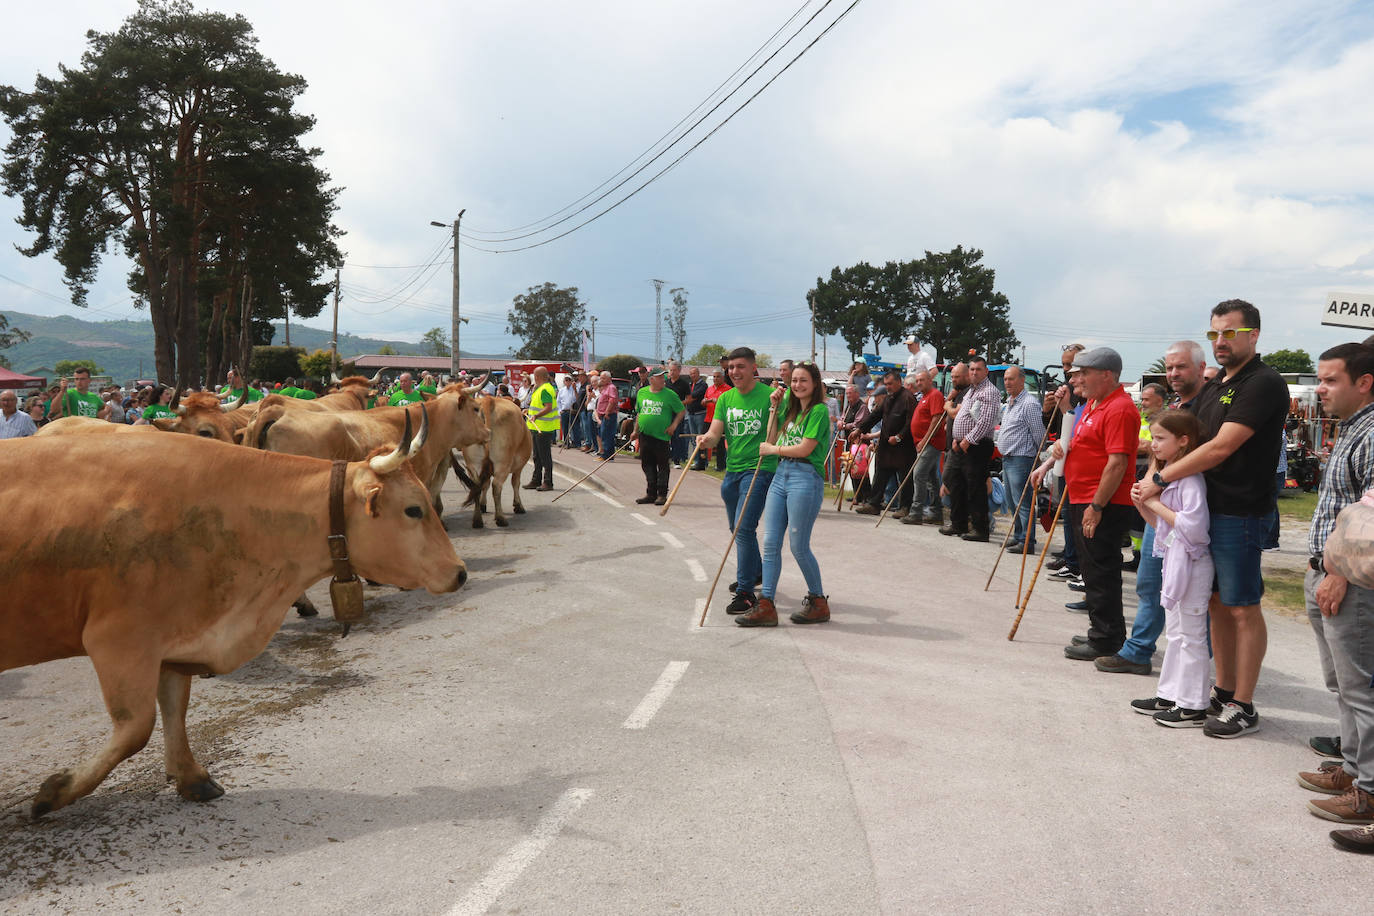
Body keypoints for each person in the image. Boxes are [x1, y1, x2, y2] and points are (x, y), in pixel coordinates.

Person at [1137, 300, 1289, 738]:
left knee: (1242, 607)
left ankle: (1244, 704)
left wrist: (1160, 479)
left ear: (1254, 335)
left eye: (1230, 333)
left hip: (1240, 512)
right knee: (1215, 606)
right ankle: (1219, 692)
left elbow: (1221, 447)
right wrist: (1154, 473)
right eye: (1214, 334)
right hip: (1206, 510)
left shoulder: (1263, 384)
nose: (1221, 342)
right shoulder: (1215, 385)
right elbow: (1184, 438)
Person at [1295, 343, 1374, 832]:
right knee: (1342, 685)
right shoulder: (1351, 428)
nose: (1320, 389)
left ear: (1363, 382)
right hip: (1325, 574)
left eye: (1330, 380)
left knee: (1361, 687)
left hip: (1350, 581)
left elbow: (1370, 517)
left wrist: (1339, 573)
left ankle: (1368, 791)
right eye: (1319, 381)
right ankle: (1351, 771)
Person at [1104, 341, 1209, 674]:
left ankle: (1192, 672)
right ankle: (1139, 650)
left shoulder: (1209, 407)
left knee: (1188, 599)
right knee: (1150, 583)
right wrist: (1150, 483)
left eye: (1181, 367)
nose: (1173, 374)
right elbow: (1156, 455)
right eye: (1169, 368)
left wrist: (1156, 485)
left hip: (1185, 513)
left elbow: (1200, 458)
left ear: (1201, 368)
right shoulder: (1180, 406)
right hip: (1160, 512)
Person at [1034, 347, 1138, 664]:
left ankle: (1106, 639)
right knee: (1091, 571)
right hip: (1083, 497)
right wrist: (1055, 455)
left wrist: (1097, 505)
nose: (1077, 379)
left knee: (1101, 570)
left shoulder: (1119, 408)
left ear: (1106, 375)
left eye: (1084, 373)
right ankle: (1101, 629)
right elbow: (1076, 445)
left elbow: (1117, 463)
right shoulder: (1094, 404)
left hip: (1101, 502)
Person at [1129, 409, 1214, 725]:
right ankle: (1170, 693)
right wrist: (1144, 506)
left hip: (1192, 564)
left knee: (1192, 635)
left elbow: (1194, 528)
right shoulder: (1175, 476)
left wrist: (1152, 504)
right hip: (1176, 561)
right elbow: (1164, 527)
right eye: (1153, 437)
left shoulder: (1190, 479)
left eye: (1161, 438)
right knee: (1176, 632)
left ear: (1183, 441)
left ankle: (1193, 703)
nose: (1153, 445)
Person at [737, 362, 832, 627]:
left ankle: (818, 601)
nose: (798, 385)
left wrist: (773, 450)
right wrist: (773, 408)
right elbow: (770, 436)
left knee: (798, 546)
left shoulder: (819, 412)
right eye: (794, 381)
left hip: (805, 477)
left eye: (803, 381)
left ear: (814, 384)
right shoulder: (789, 411)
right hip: (781, 476)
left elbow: (804, 449)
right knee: (770, 543)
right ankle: (766, 603)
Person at [695, 347, 779, 615]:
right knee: (737, 527)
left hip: (759, 469)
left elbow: (777, 434)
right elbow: (715, 433)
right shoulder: (726, 399)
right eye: (731, 368)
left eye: (740, 367)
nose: (734, 372)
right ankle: (756, 572)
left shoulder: (769, 396)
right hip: (732, 471)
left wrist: (777, 408)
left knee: (743, 528)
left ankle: (746, 594)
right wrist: (705, 440)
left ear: (754, 368)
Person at [942, 357, 1001, 541]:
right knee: (954, 481)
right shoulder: (970, 392)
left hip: (977, 445)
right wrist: (956, 439)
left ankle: (980, 529)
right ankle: (958, 523)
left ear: (986, 371)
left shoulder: (989, 392)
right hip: (960, 444)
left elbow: (986, 421)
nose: (974, 372)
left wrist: (968, 439)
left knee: (975, 487)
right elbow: (962, 416)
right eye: (972, 369)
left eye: (978, 369)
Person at [851, 370, 918, 517]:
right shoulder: (888, 399)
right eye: (886, 384)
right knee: (880, 475)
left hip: (903, 446)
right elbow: (874, 416)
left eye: (890, 384)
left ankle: (905, 507)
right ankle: (874, 504)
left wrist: (899, 436)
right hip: (886, 445)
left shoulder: (908, 398)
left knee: (905, 478)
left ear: (899, 383)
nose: (888, 387)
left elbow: (911, 422)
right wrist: (859, 430)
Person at [998, 365, 1046, 552]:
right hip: (1008, 459)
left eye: (1011, 379)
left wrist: (1039, 459)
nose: (1007, 383)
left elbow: (1039, 434)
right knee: (1011, 501)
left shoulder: (1029, 404)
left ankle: (1027, 542)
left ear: (1022, 380)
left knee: (1023, 503)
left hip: (1022, 459)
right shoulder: (1011, 402)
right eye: (1005, 379)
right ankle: (1019, 536)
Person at [632, 368, 685, 505]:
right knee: (647, 464)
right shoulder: (642, 393)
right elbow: (639, 413)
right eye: (660, 377)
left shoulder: (670, 394)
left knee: (662, 465)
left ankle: (662, 494)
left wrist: (673, 426)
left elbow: (681, 411)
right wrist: (635, 430)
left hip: (662, 437)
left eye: (663, 377)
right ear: (652, 380)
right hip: (645, 435)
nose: (664, 380)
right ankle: (651, 493)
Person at [902, 370, 947, 526]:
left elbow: (936, 420)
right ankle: (936, 512)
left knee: (918, 474)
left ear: (930, 380)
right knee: (932, 478)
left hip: (931, 442)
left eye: (922, 380)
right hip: (924, 442)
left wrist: (925, 440)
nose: (919, 383)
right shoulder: (923, 397)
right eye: (918, 380)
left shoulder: (934, 395)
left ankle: (916, 512)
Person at [523, 367, 559, 491]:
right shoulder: (541, 388)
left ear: (537, 377)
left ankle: (548, 482)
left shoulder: (545, 389)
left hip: (543, 428)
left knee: (544, 457)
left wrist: (536, 415)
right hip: (536, 427)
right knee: (537, 456)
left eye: (534, 376)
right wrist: (529, 411)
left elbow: (548, 407)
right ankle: (536, 480)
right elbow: (539, 406)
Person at [666, 361, 692, 467]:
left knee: (677, 436)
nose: (672, 372)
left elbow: (689, 399)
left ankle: (676, 460)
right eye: (670, 370)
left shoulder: (684, 383)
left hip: (678, 414)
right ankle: (666, 458)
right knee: (666, 436)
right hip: (666, 414)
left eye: (674, 370)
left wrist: (678, 404)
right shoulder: (666, 383)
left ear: (679, 371)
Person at [703, 369, 730, 471]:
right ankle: (701, 463)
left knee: (720, 444)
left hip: (721, 420)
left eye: (718, 376)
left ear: (723, 378)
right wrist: (705, 401)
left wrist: (716, 401)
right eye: (714, 377)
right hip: (708, 418)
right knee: (703, 439)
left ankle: (720, 465)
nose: (715, 379)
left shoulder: (728, 389)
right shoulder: (709, 389)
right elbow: (704, 401)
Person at [684, 366, 709, 469]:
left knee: (701, 439)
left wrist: (687, 398)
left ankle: (703, 462)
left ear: (698, 374)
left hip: (700, 414)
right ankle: (696, 461)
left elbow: (693, 396)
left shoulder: (703, 385)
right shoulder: (690, 385)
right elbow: (687, 396)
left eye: (694, 373)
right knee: (694, 439)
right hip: (690, 414)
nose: (692, 375)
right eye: (691, 373)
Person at [595, 370, 620, 459]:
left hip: (608, 415)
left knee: (607, 434)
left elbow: (612, 400)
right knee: (604, 434)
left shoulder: (611, 387)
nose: (601, 380)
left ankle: (607, 455)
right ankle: (608, 454)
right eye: (601, 378)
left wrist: (607, 412)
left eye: (603, 378)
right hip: (603, 415)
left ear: (609, 379)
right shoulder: (605, 387)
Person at [557, 374, 579, 447]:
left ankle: (576, 443)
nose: (567, 381)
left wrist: (575, 389)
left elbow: (576, 399)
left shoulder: (574, 389)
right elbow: (558, 401)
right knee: (564, 428)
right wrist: (560, 410)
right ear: (564, 381)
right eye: (566, 380)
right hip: (564, 411)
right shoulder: (561, 390)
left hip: (572, 411)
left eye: (569, 380)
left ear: (571, 381)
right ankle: (566, 442)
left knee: (574, 427)